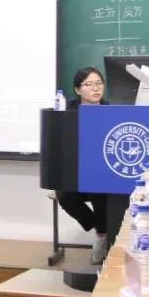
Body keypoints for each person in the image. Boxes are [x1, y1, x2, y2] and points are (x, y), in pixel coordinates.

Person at [55, 67, 114, 264]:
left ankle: (101, 237)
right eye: (89, 84)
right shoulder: (66, 110)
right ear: (78, 90)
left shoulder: (112, 110)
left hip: (102, 174)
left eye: (99, 84)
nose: (96, 88)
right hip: (75, 174)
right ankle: (101, 229)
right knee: (64, 195)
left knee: (98, 190)